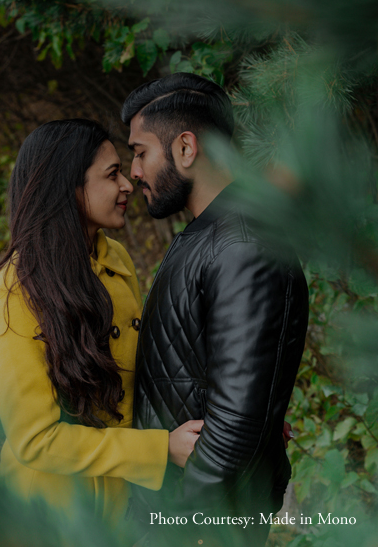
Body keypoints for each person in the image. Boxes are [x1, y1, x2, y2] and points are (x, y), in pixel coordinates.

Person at [0, 119, 202, 526]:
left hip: (122, 507)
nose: (127, 185)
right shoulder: (14, 292)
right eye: (112, 174)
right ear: (68, 187)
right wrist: (158, 450)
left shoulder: (115, 258)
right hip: (46, 518)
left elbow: (146, 373)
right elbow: (35, 440)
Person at [121, 74, 309, 546]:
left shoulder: (243, 245)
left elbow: (236, 424)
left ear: (186, 148)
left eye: (141, 152)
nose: (134, 172)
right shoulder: (215, 236)